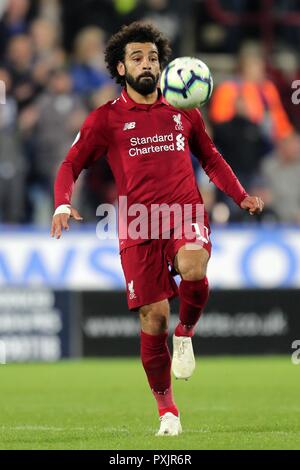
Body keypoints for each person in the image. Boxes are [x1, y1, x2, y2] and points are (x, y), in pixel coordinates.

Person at [51, 22, 264, 436]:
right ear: (120, 67)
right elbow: (69, 163)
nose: (147, 64)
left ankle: (185, 332)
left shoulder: (183, 109)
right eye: (137, 58)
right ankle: (167, 409)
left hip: (184, 212)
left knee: (194, 265)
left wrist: (240, 196)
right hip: (137, 224)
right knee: (152, 318)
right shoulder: (105, 120)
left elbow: (212, 158)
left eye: (152, 57)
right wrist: (62, 202)